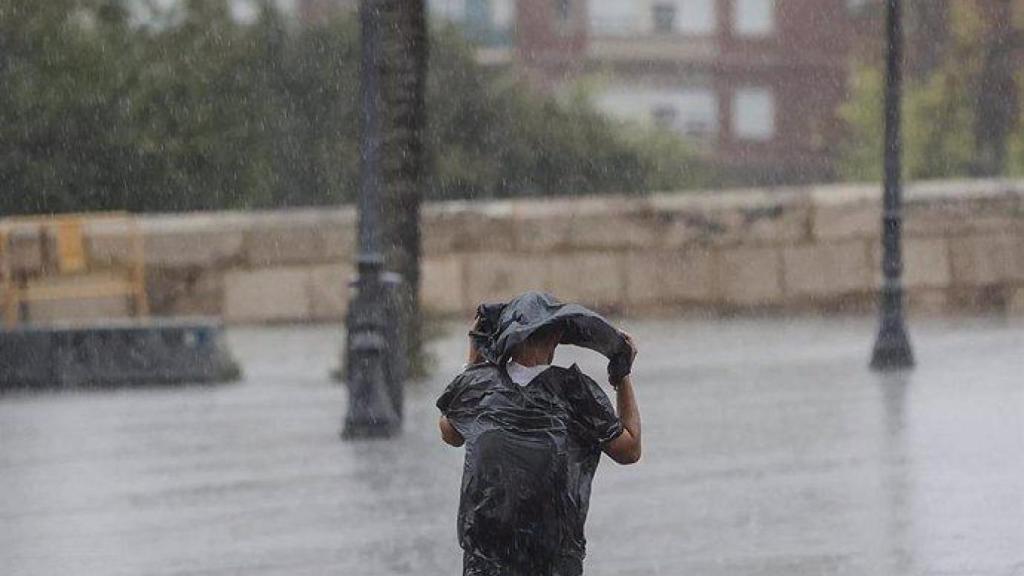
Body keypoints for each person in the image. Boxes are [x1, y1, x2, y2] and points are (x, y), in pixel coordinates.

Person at [437, 294, 642, 576]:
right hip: (552, 561)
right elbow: (630, 449)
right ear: (557, 335)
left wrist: (474, 359)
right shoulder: (574, 391)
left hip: (486, 561)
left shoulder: (479, 386)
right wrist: (622, 376)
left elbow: (450, 432)